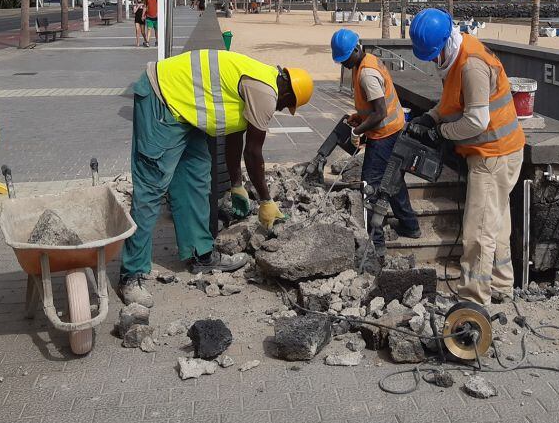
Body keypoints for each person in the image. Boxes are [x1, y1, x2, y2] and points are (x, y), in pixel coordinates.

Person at [118, 47, 315, 307]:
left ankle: (199, 254)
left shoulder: (259, 82)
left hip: (187, 112)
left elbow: (235, 138)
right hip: (162, 98)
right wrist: (266, 201)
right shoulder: (266, 93)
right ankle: (131, 275)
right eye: (285, 105)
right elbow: (253, 154)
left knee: (196, 180)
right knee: (151, 187)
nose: (280, 109)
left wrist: (237, 185)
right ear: (287, 91)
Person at [408, 8, 525, 306]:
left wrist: (442, 133)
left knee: (478, 233)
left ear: (445, 43)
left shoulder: (471, 65)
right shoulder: (457, 54)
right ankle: (500, 285)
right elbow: (453, 101)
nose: (434, 61)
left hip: (493, 155)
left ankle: (474, 299)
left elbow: (476, 121)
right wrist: (431, 118)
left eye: (434, 55)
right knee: (496, 224)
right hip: (501, 151)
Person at [330, 28, 421, 254]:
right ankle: (410, 225)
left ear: (355, 49)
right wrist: (359, 117)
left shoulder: (366, 73)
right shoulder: (364, 62)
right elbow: (372, 107)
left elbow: (379, 112)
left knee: (369, 184)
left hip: (385, 133)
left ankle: (375, 241)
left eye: (345, 59)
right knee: (394, 179)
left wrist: (358, 131)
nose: (344, 64)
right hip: (392, 128)